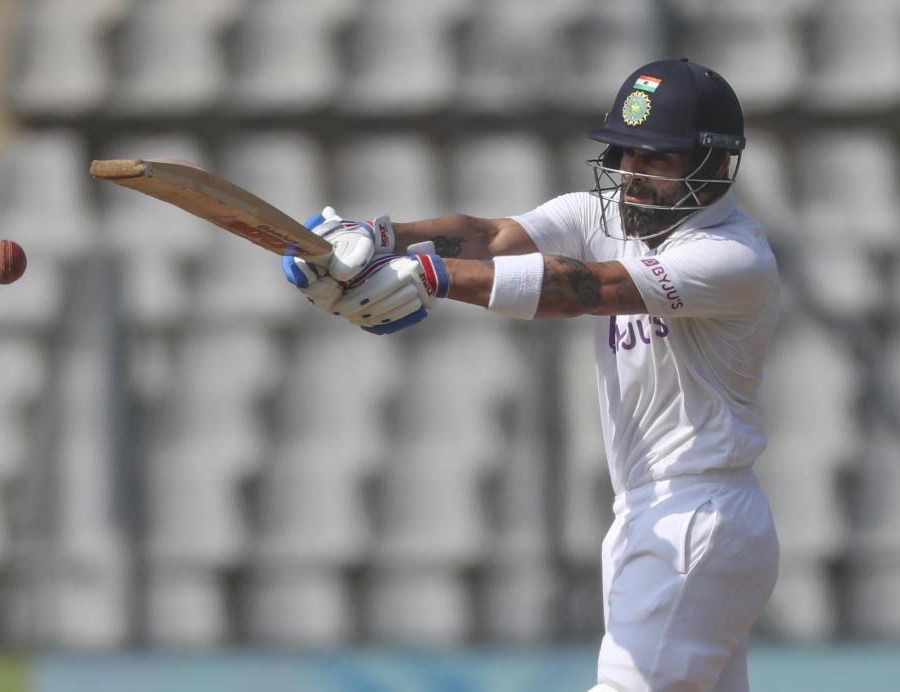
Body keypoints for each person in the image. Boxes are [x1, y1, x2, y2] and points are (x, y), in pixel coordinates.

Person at [283, 58, 780, 692]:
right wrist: (380, 237)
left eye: (655, 160)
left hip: (695, 514)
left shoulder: (733, 257)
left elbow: (584, 289)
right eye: (624, 154)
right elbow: (491, 236)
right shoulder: (608, 215)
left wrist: (428, 277)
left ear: (716, 165)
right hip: (656, 512)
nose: (630, 177)